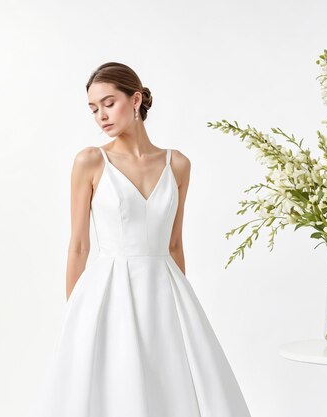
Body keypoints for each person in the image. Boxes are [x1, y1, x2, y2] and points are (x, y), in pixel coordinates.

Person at [32, 62, 252, 417]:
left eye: (108, 103)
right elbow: (78, 245)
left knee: (172, 387)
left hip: (166, 292)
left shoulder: (177, 164)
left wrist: (182, 312)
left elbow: (175, 245)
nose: (101, 116)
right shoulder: (90, 161)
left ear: (135, 100)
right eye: (93, 109)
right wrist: (76, 314)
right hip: (108, 293)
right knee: (115, 387)